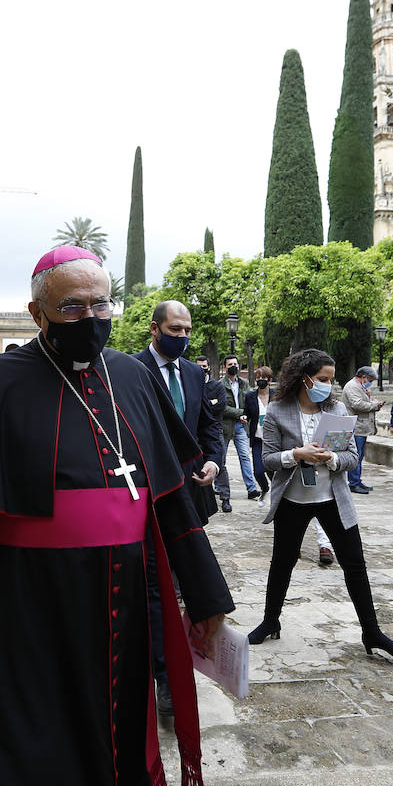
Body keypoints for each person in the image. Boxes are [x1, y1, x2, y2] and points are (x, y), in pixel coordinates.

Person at [0, 246, 234, 786]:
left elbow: (172, 499)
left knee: (122, 743)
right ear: (39, 315)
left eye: (102, 304)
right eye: (73, 307)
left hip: (123, 612)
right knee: (34, 753)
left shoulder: (133, 377)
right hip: (25, 612)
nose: (92, 318)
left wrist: (206, 601)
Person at [248, 348, 393, 659]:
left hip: (332, 499)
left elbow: (352, 457)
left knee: (355, 563)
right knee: (282, 563)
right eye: (322, 379)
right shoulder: (278, 411)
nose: (328, 385)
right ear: (304, 378)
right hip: (292, 500)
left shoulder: (337, 410)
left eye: (331, 379)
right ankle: (270, 621)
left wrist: (332, 457)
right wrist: (296, 454)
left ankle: (372, 632)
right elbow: (268, 460)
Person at [132, 300, 224, 717]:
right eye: (175, 329)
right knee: (158, 583)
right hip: (147, 494)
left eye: (187, 330)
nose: (183, 337)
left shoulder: (193, 372)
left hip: (190, 490)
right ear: (155, 329)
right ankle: (165, 673)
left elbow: (207, 425)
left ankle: (181, 657)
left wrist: (212, 459)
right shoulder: (130, 370)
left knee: (185, 578)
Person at [215, 354, 262, 506]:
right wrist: (241, 413)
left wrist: (246, 415)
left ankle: (251, 488)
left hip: (241, 425)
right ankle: (218, 486)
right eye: (230, 365)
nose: (234, 366)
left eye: (235, 363)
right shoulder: (220, 385)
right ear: (225, 367)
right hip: (225, 426)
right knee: (221, 458)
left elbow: (250, 401)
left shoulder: (244, 383)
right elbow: (221, 407)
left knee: (244, 457)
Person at [340, 366, 384, 493]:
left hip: (361, 426)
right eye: (370, 379)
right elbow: (357, 404)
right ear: (363, 377)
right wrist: (374, 405)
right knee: (356, 456)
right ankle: (353, 483)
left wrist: (372, 402)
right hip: (356, 427)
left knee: (360, 455)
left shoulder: (359, 386)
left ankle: (357, 481)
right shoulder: (352, 386)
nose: (371, 383)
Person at [197, 355, 232, 511]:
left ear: (209, 367)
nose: (202, 369)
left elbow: (221, 406)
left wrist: (203, 406)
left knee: (220, 463)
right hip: (196, 430)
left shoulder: (216, 386)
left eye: (204, 366)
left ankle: (225, 498)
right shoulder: (192, 384)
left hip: (215, 429)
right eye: (199, 366)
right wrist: (210, 403)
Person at [245, 365, 274, 500]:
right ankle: (265, 488)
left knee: (272, 470)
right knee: (258, 470)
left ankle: (278, 492)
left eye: (263, 378)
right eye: (258, 378)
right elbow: (247, 413)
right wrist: (244, 417)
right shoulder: (250, 396)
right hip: (257, 438)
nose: (260, 380)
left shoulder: (277, 396)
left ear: (269, 380)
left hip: (273, 440)